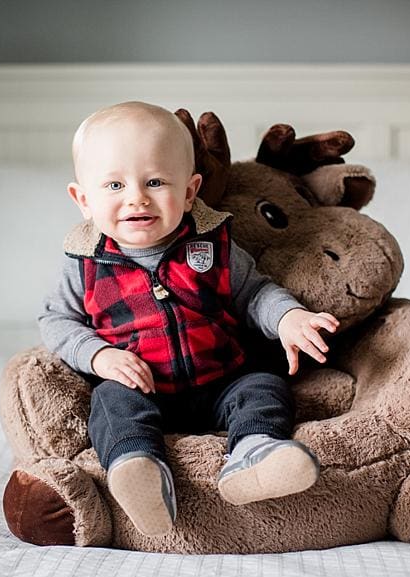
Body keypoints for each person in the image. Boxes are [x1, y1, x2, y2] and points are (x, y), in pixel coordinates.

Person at [39, 101, 339, 536]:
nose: (136, 197)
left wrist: (289, 317)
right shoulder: (83, 262)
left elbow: (254, 292)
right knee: (110, 402)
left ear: (189, 191)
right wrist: (100, 356)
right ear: (83, 200)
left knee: (264, 386)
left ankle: (254, 454)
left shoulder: (210, 243)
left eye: (155, 181)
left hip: (221, 379)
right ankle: (136, 467)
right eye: (114, 185)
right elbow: (55, 321)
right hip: (143, 386)